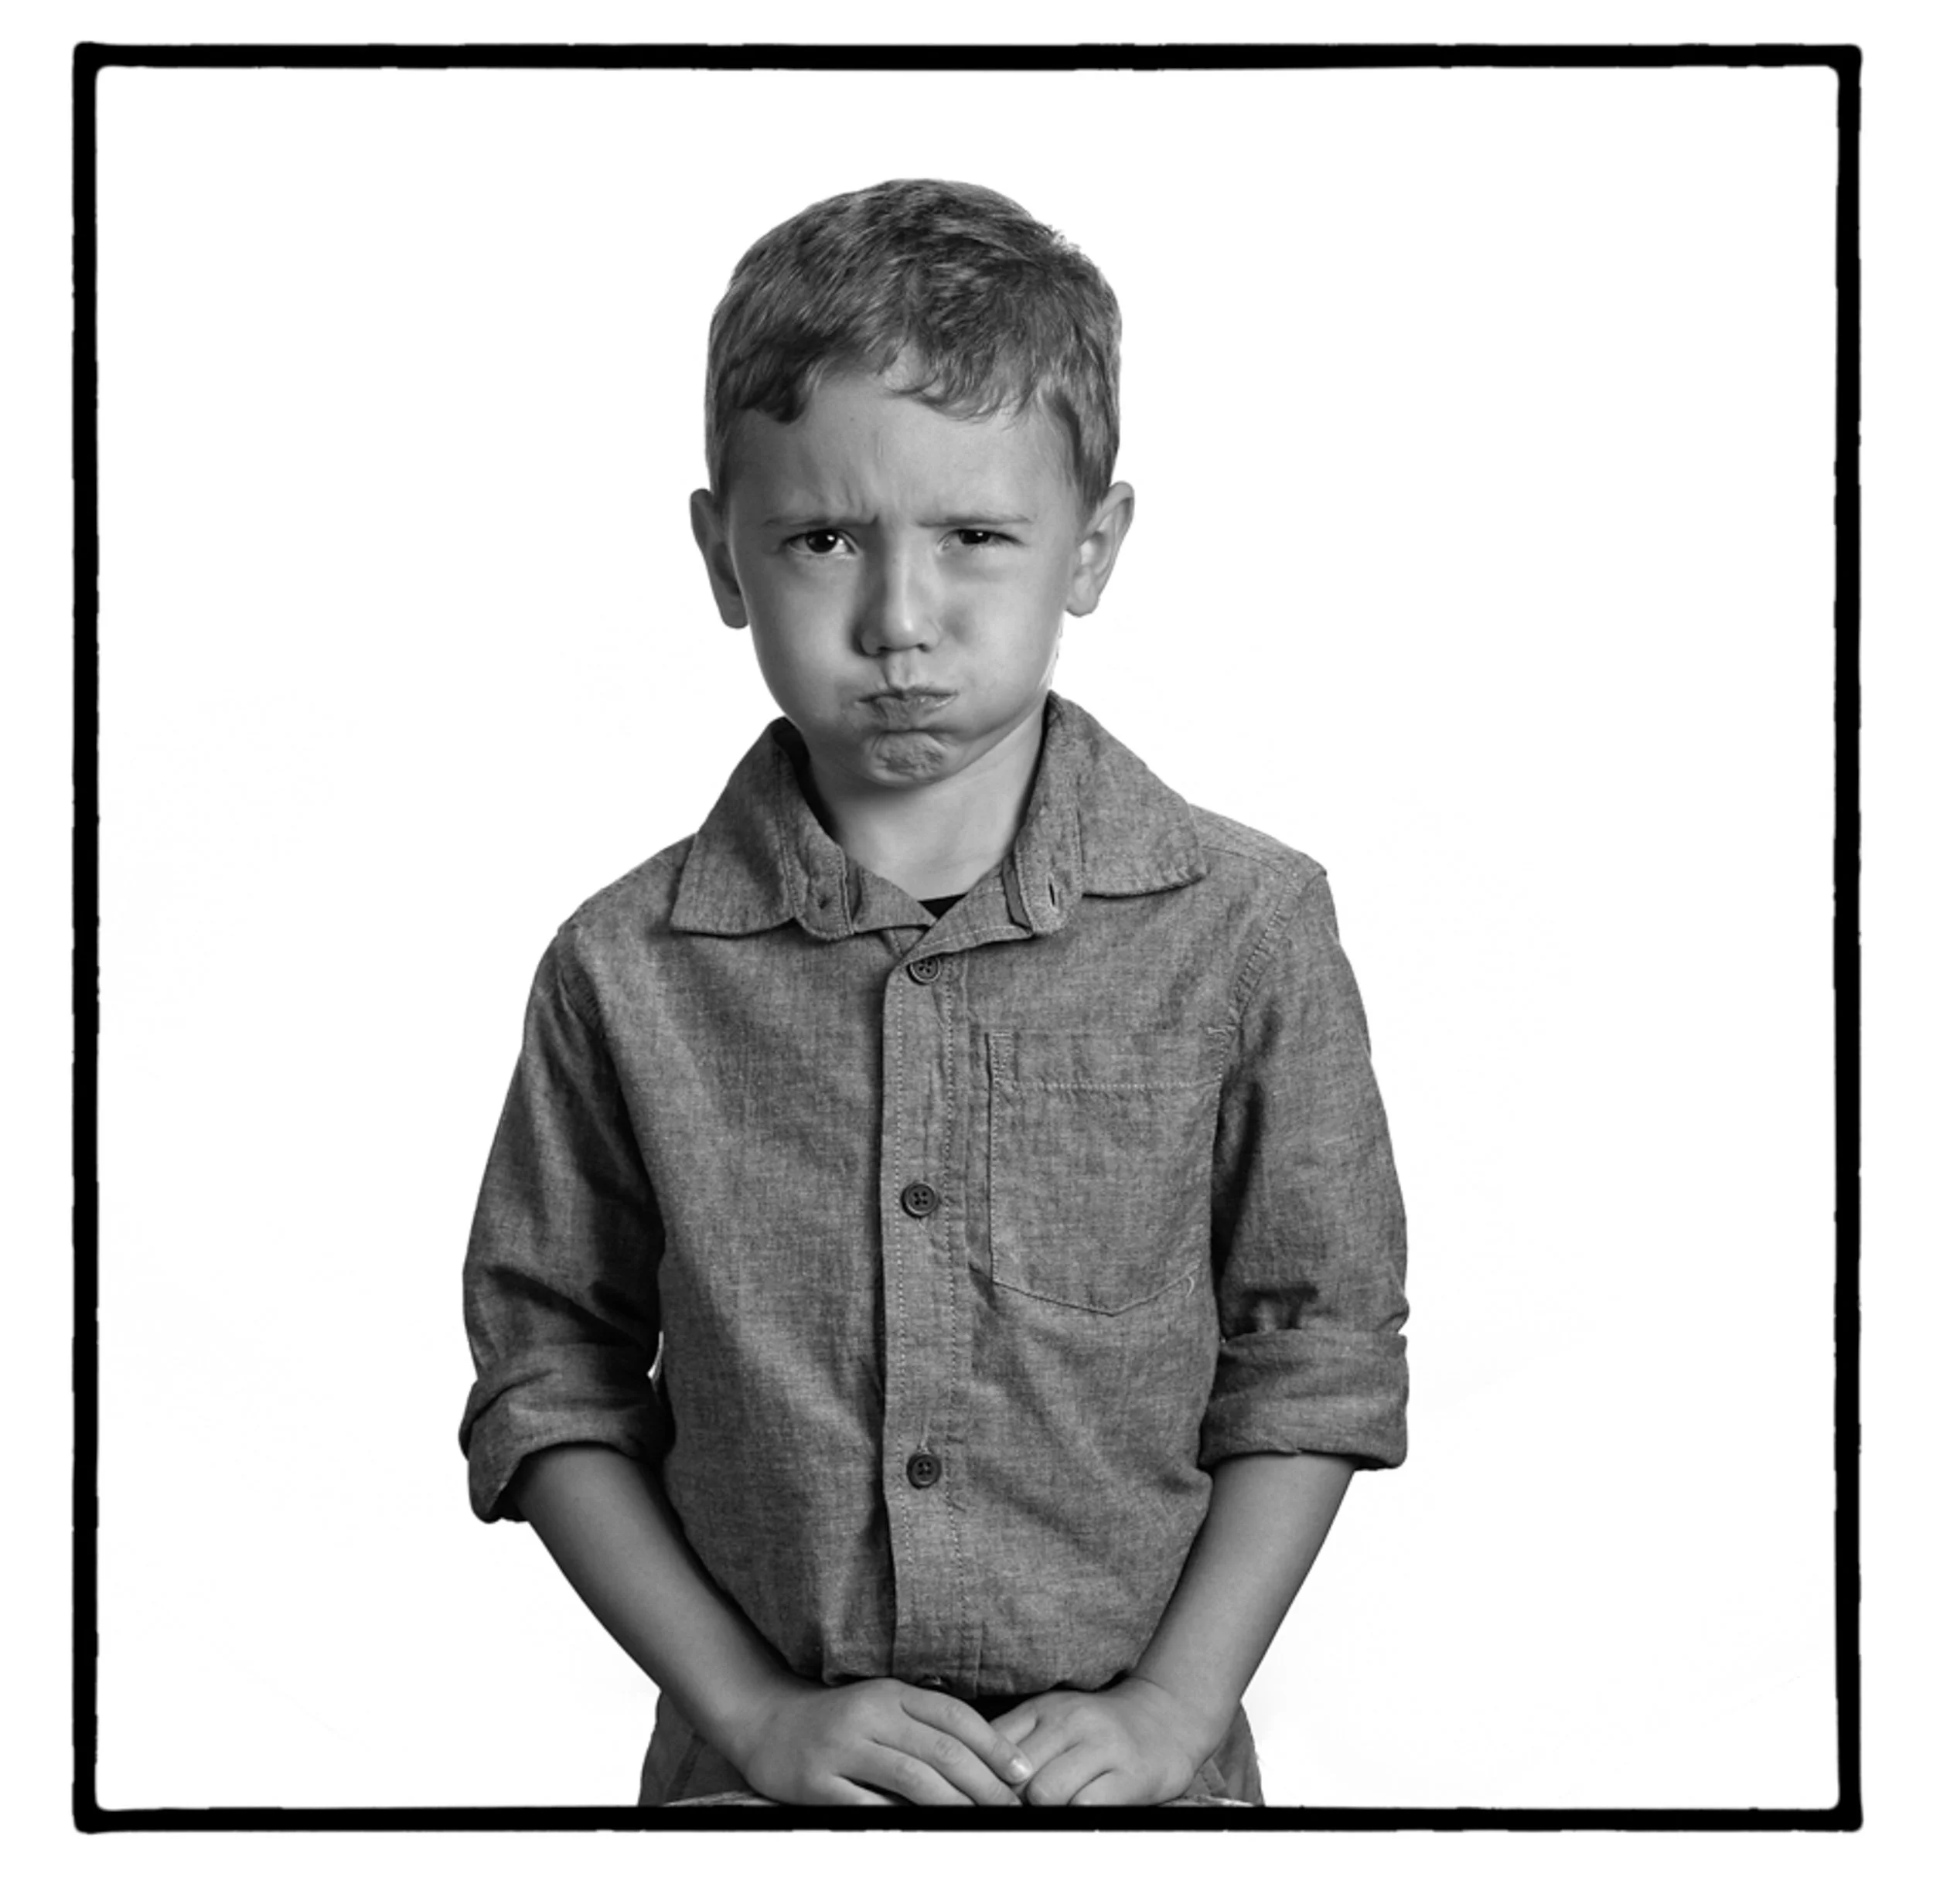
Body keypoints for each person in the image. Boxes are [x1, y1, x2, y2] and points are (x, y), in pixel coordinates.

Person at [459, 178, 1408, 1810]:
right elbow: (548, 1370)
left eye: (974, 536)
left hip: (1141, 1805)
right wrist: (751, 1711)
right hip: (751, 1799)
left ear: (1090, 546)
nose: (899, 619)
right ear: (722, 553)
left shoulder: (1246, 928)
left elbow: (1315, 1346)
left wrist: (1177, 1707)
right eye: (823, 537)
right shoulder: (622, 971)